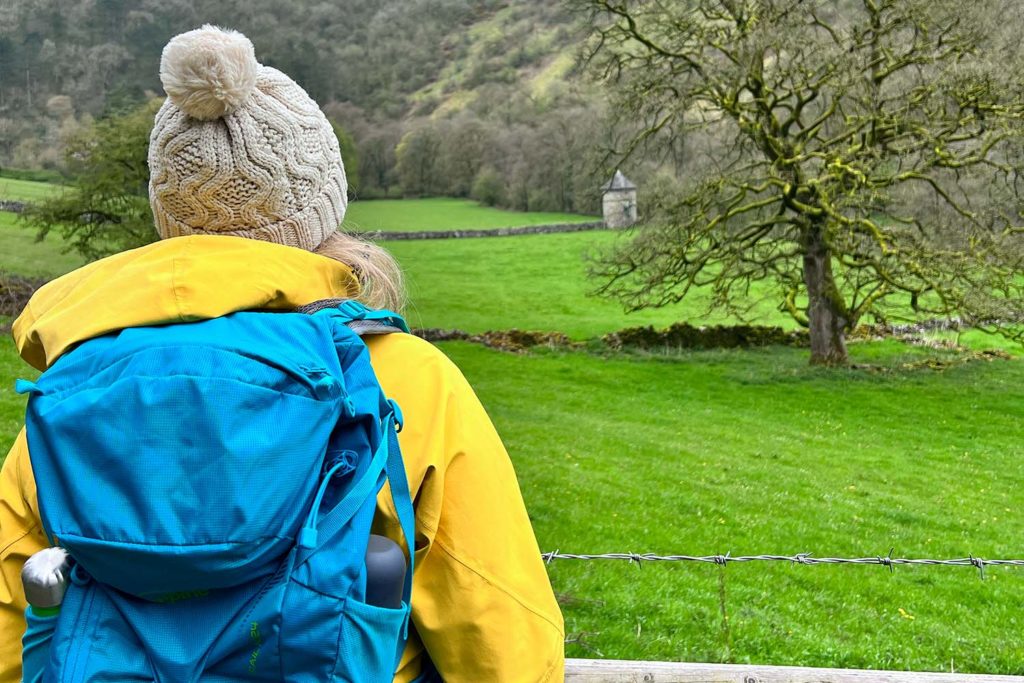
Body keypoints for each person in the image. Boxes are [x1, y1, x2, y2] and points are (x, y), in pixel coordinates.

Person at [0, 25, 564, 683]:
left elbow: (12, 637)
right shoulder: (403, 379)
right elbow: (504, 644)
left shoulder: (75, 395)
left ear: (167, 215)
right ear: (321, 209)